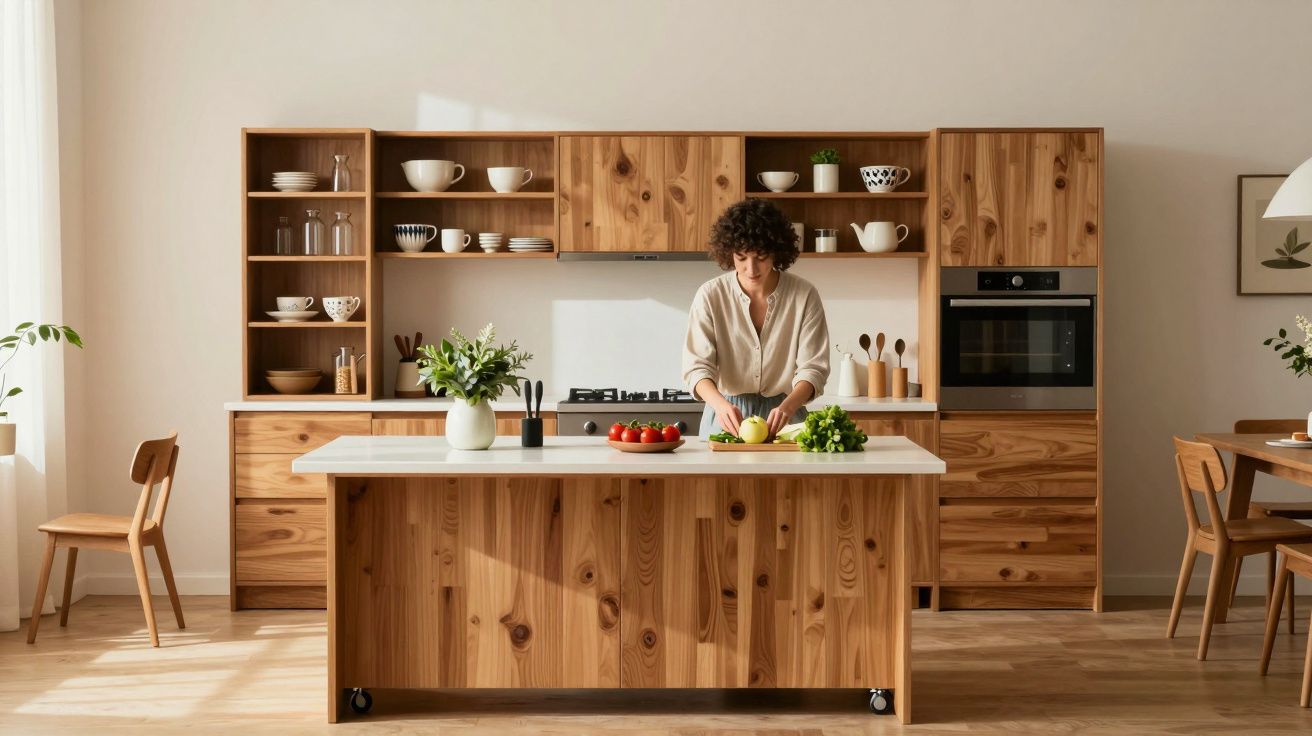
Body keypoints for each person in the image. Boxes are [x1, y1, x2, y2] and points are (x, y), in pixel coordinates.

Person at [682, 199, 830, 438]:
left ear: (776, 251)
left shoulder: (804, 295)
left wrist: (789, 406)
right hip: (725, 416)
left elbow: (813, 368)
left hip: (787, 415)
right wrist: (720, 405)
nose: (751, 269)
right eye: (741, 258)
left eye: (761, 257)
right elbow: (696, 368)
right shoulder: (710, 295)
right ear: (729, 252)